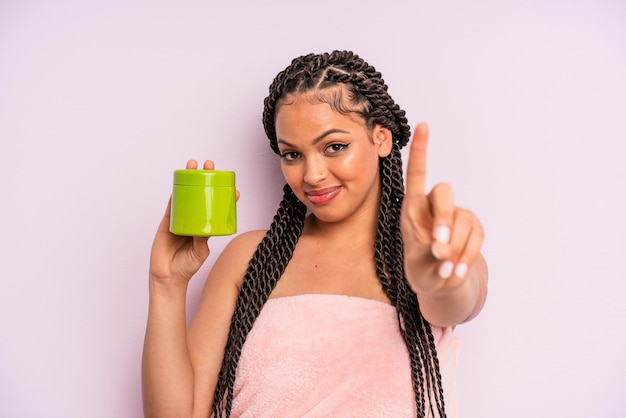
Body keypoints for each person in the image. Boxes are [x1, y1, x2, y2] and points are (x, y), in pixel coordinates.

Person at [142, 50, 488, 418]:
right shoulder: (251, 258)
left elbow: (460, 300)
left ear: (381, 139)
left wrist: (439, 278)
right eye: (292, 155)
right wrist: (166, 284)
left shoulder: (432, 251)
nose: (312, 175)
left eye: (334, 147)